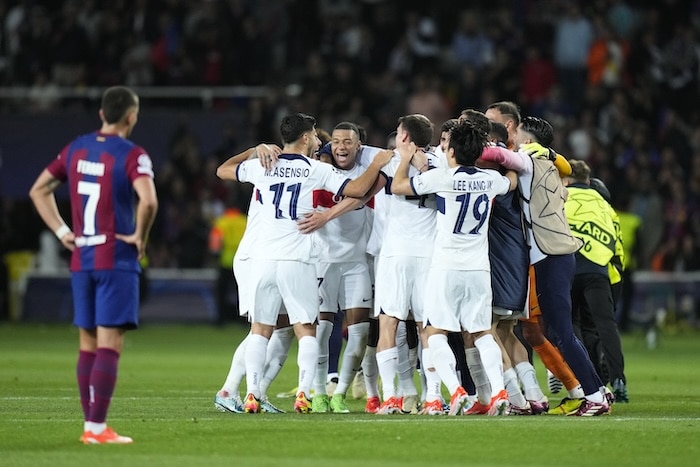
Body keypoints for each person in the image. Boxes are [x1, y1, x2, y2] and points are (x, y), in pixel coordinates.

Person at [215, 113, 392, 413]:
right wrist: (376, 164)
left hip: (262, 259)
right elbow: (359, 190)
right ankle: (304, 394)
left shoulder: (262, 165)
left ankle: (253, 394)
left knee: (260, 329)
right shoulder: (315, 170)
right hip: (296, 258)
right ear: (307, 137)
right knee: (306, 329)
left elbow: (222, 171)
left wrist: (254, 149)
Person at [28, 86, 158, 444]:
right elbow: (148, 201)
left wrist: (61, 231)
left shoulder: (77, 147)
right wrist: (140, 236)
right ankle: (97, 428)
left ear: (102, 114)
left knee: (87, 344)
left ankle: (91, 426)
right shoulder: (133, 154)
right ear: (131, 117)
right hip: (115, 257)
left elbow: (38, 189)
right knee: (109, 344)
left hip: (81, 257)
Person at [480, 116, 611, 416]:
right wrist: (553, 154)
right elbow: (561, 166)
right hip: (555, 254)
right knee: (556, 330)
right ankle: (595, 390)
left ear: (528, 141)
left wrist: (466, 145)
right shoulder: (548, 163)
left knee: (561, 332)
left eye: (521, 137)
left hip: (551, 254)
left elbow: (496, 154)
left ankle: (594, 395)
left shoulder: (529, 159)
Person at [391, 118, 517, 416]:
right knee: (483, 332)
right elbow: (511, 181)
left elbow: (398, 186)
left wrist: (407, 159)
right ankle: (500, 393)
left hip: (446, 267)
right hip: (478, 269)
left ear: (451, 152)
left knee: (435, 330)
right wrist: (511, 159)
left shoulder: (442, 177)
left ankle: (456, 390)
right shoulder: (490, 179)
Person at [566, 163, 629, 402]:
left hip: (568, 267)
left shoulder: (560, 195)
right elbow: (618, 249)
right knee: (604, 326)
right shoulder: (606, 206)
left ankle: (583, 378)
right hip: (599, 272)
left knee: (570, 324)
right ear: (589, 181)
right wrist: (616, 287)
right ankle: (618, 379)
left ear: (567, 179)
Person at [209, 191, 247, 325]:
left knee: (222, 292)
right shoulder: (244, 221)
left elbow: (215, 241)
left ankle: (220, 319)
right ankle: (244, 319)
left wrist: (214, 255)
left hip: (225, 260)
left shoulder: (222, 222)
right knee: (242, 292)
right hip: (243, 261)